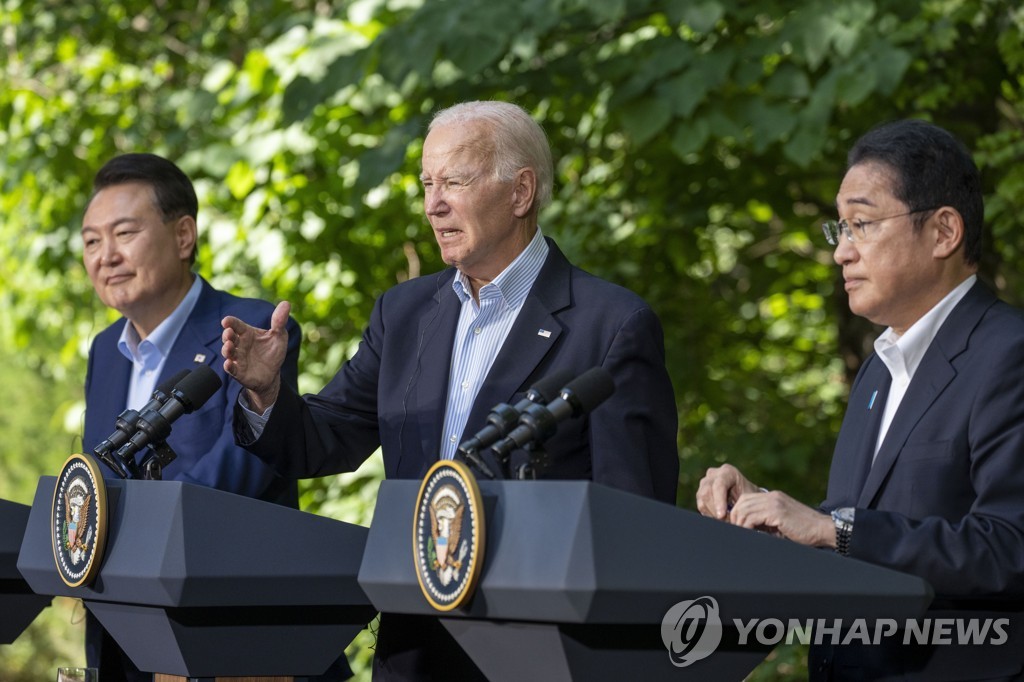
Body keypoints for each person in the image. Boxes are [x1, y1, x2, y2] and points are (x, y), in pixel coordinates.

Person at [221, 100, 680, 679]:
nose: (433, 204)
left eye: (455, 182)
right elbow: (325, 438)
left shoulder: (611, 325)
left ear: (520, 193)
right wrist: (265, 393)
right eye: (426, 184)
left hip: (539, 652)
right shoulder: (406, 311)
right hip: (413, 649)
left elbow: (635, 521)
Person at [696, 119, 1024, 680]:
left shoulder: (1008, 355)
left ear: (944, 232)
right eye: (839, 230)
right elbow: (864, 533)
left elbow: (1010, 548)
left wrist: (835, 529)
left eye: (862, 225)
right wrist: (779, 517)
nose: (841, 254)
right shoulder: (878, 370)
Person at [79, 153, 321, 680]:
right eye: (92, 241)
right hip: (126, 638)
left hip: (231, 639)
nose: (106, 255)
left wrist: (126, 537)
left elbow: (242, 473)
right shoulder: (103, 350)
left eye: (123, 233)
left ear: (183, 235)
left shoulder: (250, 327)